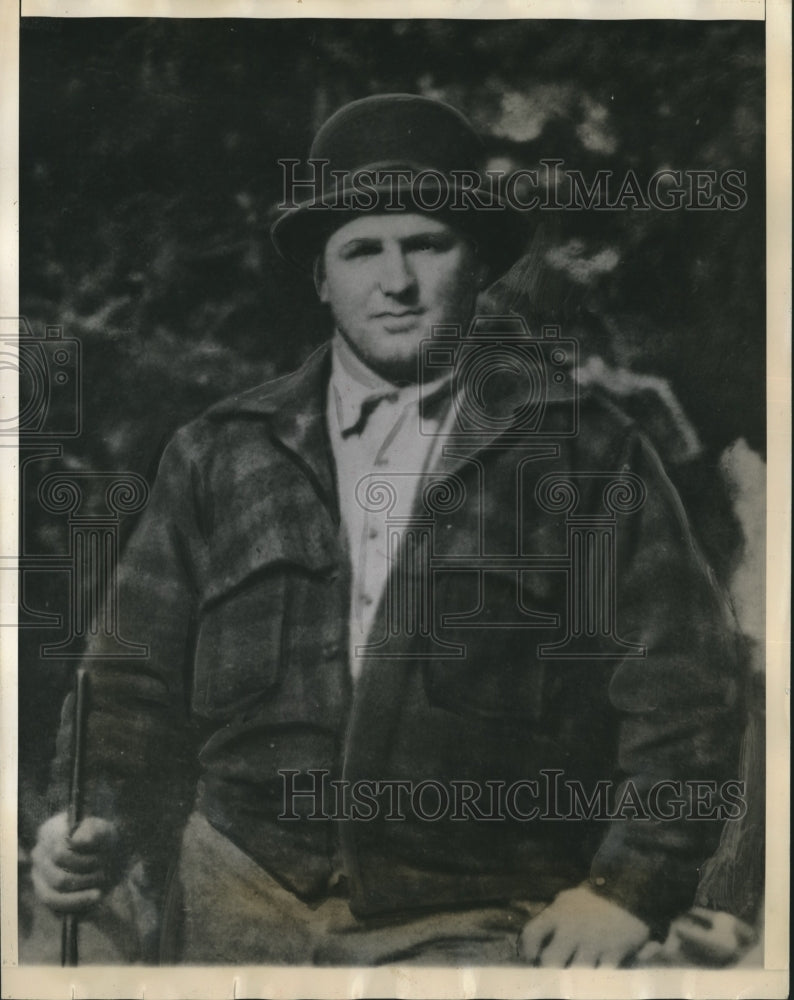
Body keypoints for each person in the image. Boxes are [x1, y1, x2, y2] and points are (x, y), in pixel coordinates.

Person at [31, 93, 745, 966]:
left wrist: (628, 890)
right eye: (362, 250)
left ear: (477, 262)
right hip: (234, 903)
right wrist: (92, 812)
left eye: (427, 244)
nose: (396, 281)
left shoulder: (586, 454)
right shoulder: (221, 452)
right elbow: (128, 676)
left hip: (475, 921)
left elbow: (686, 689)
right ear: (321, 278)